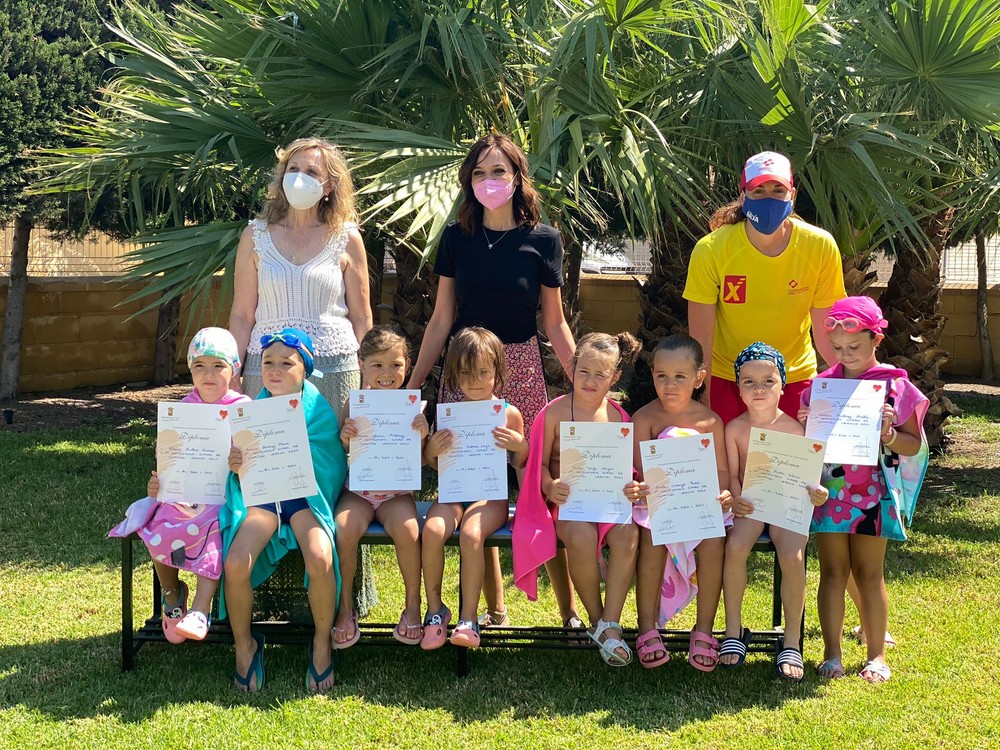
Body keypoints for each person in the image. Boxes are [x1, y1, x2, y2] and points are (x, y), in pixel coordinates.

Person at [407, 133, 580, 631]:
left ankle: (569, 614)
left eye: (499, 170)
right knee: (472, 486)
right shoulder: (456, 238)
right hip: (465, 371)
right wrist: (413, 388)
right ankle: (493, 609)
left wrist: (586, 386)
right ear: (469, 181)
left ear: (517, 177)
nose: (489, 180)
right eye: (479, 172)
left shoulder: (544, 239)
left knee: (537, 494)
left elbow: (555, 322)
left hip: (521, 368)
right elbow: (442, 319)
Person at [227, 136, 377, 617]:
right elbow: (241, 314)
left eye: (313, 172)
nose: (300, 178)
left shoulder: (347, 237)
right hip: (265, 373)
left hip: (335, 374)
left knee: (329, 485)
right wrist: (233, 372)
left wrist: (373, 386)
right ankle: (271, 597)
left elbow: (363, 317)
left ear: (330, 185)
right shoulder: (254, 235)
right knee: (269, 482)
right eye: (294, 168)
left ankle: (342, 600)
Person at [798, 297, 928, 683]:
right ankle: (832, 654)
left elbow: (913, 445)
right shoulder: (821, 387)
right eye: (837, 348)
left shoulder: (896, 387)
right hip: (830, 493)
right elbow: (806, 447)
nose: (845, 355)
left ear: (876, 339)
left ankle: (876, 656)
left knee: (870, 573)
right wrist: (806, 425)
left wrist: (889, 435)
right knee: (832, 571)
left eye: (854, 346)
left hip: (875, 493)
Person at [220, 328, 346, 693]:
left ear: (305, 369)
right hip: (263, 500)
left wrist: (300, 454)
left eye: (286, 364)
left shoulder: (319, 411)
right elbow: (241, 472)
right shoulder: (251, 412)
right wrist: (236, 463)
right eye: (268, 363)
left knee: (320, 557)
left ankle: (321, 642)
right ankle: (245, 644)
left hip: (304, 498)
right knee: (235, 562)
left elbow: (331, 463)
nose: (275, 370)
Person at [108, 327, 250, 643]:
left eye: (218, 365)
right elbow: (169, 456)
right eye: (199, 365)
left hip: (226, 494)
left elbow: (253, 460)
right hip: (184, 492)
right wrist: (158, 483)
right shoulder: (182, 408)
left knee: (215, 526)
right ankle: (172, 595)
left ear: (234, 369)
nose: (208, 374)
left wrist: (239, 463)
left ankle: (201, 608)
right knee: (157, 522)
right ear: (190, 370)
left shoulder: (243, 407)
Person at [684, 151, 846, 423]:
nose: (768, 198)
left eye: (778, 190)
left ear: (792, 195)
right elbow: (702, 341)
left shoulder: (819, 246)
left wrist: (855, 389)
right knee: (730, 453)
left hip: (794, 379)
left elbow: (826, 334)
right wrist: (705, 399)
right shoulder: (711, 249)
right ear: (742, 196)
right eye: (758, 191)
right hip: (728, 380)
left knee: (793, 453)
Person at [512, 333, 641, 665]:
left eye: (600, 374)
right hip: (566, 502)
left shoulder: (619, 417)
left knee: (628, 533)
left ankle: (611, 621)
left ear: (615, 378)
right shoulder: (553, 413)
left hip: (608, 501)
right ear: (572, 369)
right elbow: (536, 464)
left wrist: (631, 486)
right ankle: (599, 622)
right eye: (584, 371)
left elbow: (626, 469)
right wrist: (549, 485)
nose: (590, 381)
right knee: (581, 536)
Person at [720, 342, 828, 681]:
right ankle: (733, 630)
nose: (759, 389)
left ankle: (791, 640)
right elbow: (733, 475)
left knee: (793, 556)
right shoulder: (734, 429)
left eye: (768, 381)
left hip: (787, 505)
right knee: (735, 547)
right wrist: (737, 498)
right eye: (749, 382)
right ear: (738, 388)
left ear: (783, 385)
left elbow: (810, 477)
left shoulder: (796, 429)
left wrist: (818, 493)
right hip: (751, 505)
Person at [630, 335, 734, 671]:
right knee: (652, 535)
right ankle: (647, 627)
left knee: (714, 538)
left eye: (680, 377)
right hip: (657, 503)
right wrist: (642, 488)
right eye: (662, 376)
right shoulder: (644, 418)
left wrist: (723, 493)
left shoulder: (710, 422)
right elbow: (641, 469)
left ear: (699, 378)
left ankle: (704, 629)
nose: (670, 385)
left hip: (699, 501)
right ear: (652, 374)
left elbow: (721, 471)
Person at [420, 327, 529, 650]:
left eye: (483, 372)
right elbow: (436, 465)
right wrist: (431, 450)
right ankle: (436, 610)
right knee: (432, 531)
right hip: (454, 492)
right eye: (466, 373)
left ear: (497, 370)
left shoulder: (508, 414)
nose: (474, 380)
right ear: (455, 373)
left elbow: (520, 462)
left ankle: (468, 619)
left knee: (471, 534)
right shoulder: (450, 414)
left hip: (489, 497)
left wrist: (519, 445)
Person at [333, 327, 429, 648]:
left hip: (395, 494)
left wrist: (422, 435)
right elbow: (343, 453)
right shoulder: (355, 403)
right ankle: (345, 607)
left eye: (395, 365)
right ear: (362, 365)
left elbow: (421, 460)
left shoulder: (412, 407)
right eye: (377, 365)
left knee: (408, 530)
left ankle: (412, 606)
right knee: (344, 528)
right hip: (359, 491)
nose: (387, 373)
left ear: (407, 365)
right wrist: (345, 438)